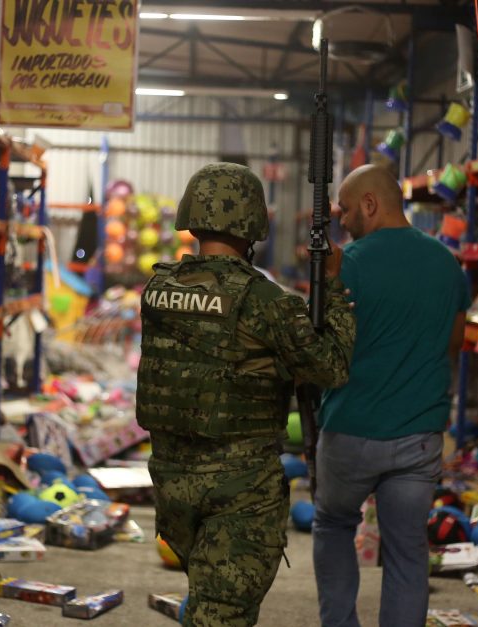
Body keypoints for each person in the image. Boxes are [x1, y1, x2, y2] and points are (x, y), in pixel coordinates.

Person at [137, 162, 356, 627]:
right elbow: (330, 366)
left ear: (191, 216)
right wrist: (333, 288)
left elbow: (214, 358)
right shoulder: (266, 302)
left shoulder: (157, 289)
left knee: (207, 601)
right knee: (221, 616)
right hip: (239, 492)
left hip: (174, 484)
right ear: (254, 222)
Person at [312, 164, 470, 627]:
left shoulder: (351, 263)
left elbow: (320, 344)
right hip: (420, 436)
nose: (340, 218)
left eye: (344, 208)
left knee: (335, 525)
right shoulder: (447, 263)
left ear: (370, 203)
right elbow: (454, 342)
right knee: (407, 551)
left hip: (351, 429)